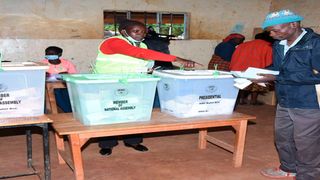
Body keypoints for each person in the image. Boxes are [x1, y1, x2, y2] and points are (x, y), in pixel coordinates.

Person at [93, 19, 199, 156]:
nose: (141, 35)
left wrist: (148, 70)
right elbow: (138, 54)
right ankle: (107, 144)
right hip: (109, 83)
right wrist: (176, 59)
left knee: (133, 112)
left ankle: (133, 141)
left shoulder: (142, 45)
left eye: (143, 32)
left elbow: (145, 61)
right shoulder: (113, 42)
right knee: (111, 112)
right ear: (123, 31)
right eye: (136, 31)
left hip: (133, 83)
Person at [256, 9, 320, 179]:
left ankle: (308, 176)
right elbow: (278, 69)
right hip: (284, 99)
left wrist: (278, 76)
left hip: (308, 102)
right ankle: (288, 168)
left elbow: (317, 74)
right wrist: (258, 74)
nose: (271, 34)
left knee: (306, 143)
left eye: (275, 30)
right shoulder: (279, 44)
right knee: (282, 138)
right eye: (269, 31)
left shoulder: (315, 43)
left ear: (293, 24)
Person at [230, 31, 274, 105]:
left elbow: (234, 57)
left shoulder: (243, 45)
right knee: (256, 85)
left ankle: (241, 99)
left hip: (240, 68)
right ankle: (253, 100)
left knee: (242, 84)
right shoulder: (268, 45)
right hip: (256, 68)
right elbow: (269, 59)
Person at [40, 46, 77, 112]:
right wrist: (45, 74)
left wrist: (67, 74)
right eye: (47, 54)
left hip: (64, 85)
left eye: (52, 54)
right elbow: (38, 74)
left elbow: (74, 75)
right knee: (57, 92)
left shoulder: (67, 63)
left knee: (67, 93)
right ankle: (68, 111)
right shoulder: (43, 63)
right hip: (49, 86)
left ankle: (71, 110)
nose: (49, 56)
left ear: (59, 54)